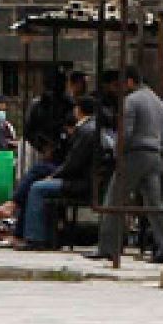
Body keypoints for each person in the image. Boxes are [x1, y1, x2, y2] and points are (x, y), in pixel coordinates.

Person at [89, 66, 163, 264]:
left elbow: (125, 133)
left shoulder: (131, 101)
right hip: (155, 155)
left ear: (129, 81)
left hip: (134, 154)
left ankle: (108, 247)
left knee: (113, 200)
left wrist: (116, 153)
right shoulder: (158, 102)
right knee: (155, 204)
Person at [19, 96, 102, 249]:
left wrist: (54, 176)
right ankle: (44, 234)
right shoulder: (95, 128)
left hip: (80, 182)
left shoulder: (86, 131)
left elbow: (74, 163)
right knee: (40, 176)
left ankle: (35, 237)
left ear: (79, 110)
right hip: (87, 179)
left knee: (37, 188)